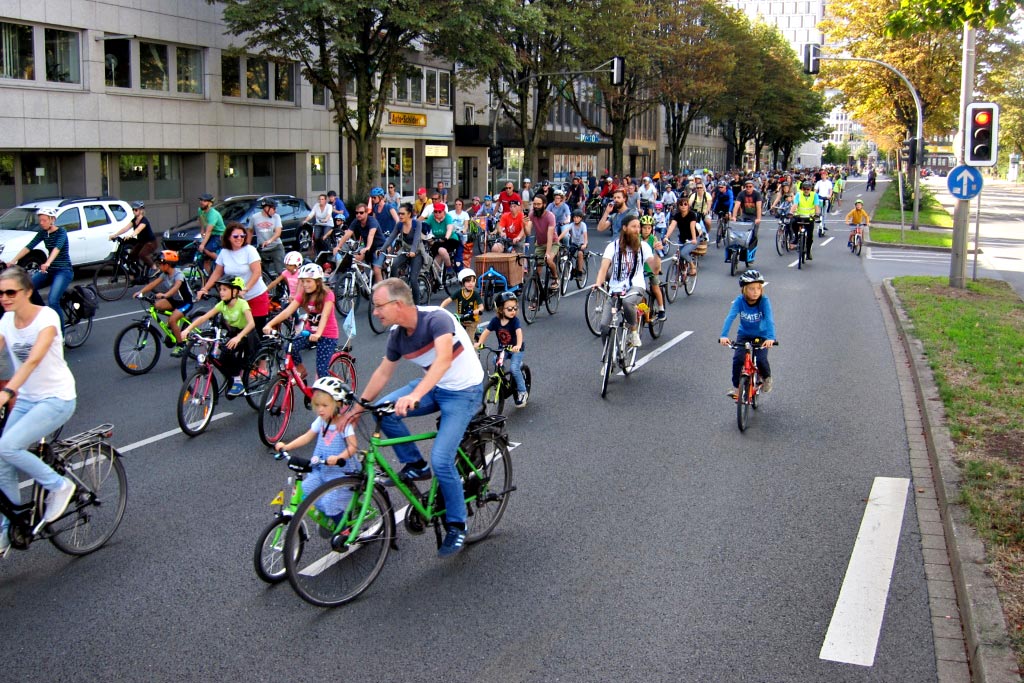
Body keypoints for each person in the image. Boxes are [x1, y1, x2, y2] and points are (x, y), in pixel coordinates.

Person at [355, 278, 484, 558]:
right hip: (435, 387)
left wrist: (416, 395)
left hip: (463, 392)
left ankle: (457, 523)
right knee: (381, 410)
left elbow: (443, 361)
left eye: (378, 306)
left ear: (398, 304)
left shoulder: (437, 319)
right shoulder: (397, 335)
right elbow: (383, 373)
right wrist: (358, 407)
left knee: (442, 459)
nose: (374, 312)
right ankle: (415, 463)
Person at [0, 265, 78, 556]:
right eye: (0, 293)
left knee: (8, 447)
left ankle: (58, 486)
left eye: (11, 292)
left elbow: (32, 360)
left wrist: (6, 392)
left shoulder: (46, 318)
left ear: (27, 291)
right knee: (2, 461)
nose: (5, 298)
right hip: (28, 400)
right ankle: (8, 528)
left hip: (57, 398)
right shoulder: (6, 322)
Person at [274, 376, 362, 521]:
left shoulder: (343, 425)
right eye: (317, 405)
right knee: (306, 490)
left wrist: (340, 457)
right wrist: (287, 446)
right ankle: (330, 515)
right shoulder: (321, 421)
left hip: (340, 473)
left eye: (325, 406)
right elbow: (307, 436)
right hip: (321, 468)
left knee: (331, 501)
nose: (320, 410)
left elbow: (353, 447)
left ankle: (344, 529)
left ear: (338, 404)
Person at [182, 276, 256, 397]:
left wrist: (239, 337)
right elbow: (204, 317)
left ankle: (238, 381)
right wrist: (187, 329)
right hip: (234, 333)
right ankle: (232, 378)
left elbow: (251, 323)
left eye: (225, 289)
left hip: (247, 334)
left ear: (235, 291)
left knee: (231, 353)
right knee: (221, 358)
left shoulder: (242, 304)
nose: (221, 292)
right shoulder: (222, 304)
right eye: (220, 289)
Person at [593, 214, 658, 349]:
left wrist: (657, 252)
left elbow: (655, 269)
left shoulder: (643, 247)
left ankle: (633, 332)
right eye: (634, 227)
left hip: (636, 286)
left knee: (628, 302)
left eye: (638, 227)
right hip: (615, 289)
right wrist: (598, 284)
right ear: (624, 228)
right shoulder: (613, 246)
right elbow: (603, 268)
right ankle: (608, 358)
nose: (637, 230)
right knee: (604, 326)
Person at [264, 263, 338, 380]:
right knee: (290, 347)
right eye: (303, 281)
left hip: (327, 335)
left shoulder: (327, 295)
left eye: (308, 281)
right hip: (309, 333)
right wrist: (270, 324)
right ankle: (301, 370)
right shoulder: (303, 295)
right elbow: (287, 312)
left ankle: (329, 395)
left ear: (318, 282)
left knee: (321, 371)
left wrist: (318, 333)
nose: (305, 284)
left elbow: (325, 315)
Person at [198, 223, 270, 332]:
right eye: (236, 236)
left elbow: (257, 272)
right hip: (235, 299)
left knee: (255, 333)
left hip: (255, 296)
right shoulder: (224, 253)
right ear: (228, 237)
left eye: (242, 236)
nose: (239, 239)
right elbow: (217, 273)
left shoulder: (249, 250)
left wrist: (245, 289)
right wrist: (205, 288)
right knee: (236, 332)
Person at [11, 208, 74, 327]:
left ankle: (60, 336)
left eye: (44, 220)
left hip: (63, 270)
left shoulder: (61, 232)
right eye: (40, 220)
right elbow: (29, 247)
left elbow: (57, 249)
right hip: (49, 270)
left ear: (52, 220)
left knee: (53, 301)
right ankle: (44, 315)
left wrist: (48, 262)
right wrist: (13, 261)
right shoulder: (43, 233)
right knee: (27, 288)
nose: (41, 223)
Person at [719, 269, 776, 398]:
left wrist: (771, 338)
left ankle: (766, 378)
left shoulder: (764, 301)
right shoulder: (740, 301)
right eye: (751, 289)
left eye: (758, 288)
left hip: (761, 335)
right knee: (738, 359)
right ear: (744, 289)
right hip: (744, 334)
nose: (755, 292)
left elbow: (769, 319)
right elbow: (730, 317)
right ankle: (736, 388)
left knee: (761, 359)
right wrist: (724, 335)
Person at [134, 250, 194, 356]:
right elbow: (153, 284)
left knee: (172, 320)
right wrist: (141, 292)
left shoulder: (178, 275)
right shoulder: (164, 274)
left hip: (185, 302)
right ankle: (172, 326)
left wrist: (166, 295)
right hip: (173, 300)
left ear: (168, 264)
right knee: (157, 305)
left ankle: (181, 345)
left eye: (160, 264)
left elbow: (176, 287)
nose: (158, 266)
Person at [476, 290, 528, 407]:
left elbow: (519, 333)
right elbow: (486, 332)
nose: (513, 311)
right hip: (503, 349)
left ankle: (522, 391)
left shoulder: (515, 321)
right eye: (509, 309)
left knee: (514, 369)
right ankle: (503, 380)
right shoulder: (495, 321)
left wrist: (518, 346)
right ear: (500, 309)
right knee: (495, 360)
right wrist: (480, 343)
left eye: (515, 308)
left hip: (516, 350)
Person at [381, 203, 425, 304]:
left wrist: (413, 251)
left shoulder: (417, 224)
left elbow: (417, 239)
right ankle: (396, 291)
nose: (400, 216)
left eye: (402, 214)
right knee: (394, 265)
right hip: (405, 251)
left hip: (417, 252)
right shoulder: (399, 225)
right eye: (399, 213)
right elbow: (391, 237)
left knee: (413, 279)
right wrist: (382, 249)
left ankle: (417, 306)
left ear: (409, 214)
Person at [335, 203, 384, 283]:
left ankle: (382, 291)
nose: (358, 215)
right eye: (357, 213)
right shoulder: (356, 221)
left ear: (366, 212)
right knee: (355, 259)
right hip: (367, 246)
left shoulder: (372, 221)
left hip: (379, 247)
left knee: (376, 268)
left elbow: (370, 235)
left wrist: (367, 247)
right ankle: (364, 277)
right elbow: (348, 234)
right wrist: (338, 246)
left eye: (361, 213)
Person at [109, 200, 157, 280]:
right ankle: (137, 273)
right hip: (141, 243)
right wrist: (115, 235)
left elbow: (138, 230)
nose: (134, 211)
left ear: (141, 210)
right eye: (133, 209)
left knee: (142, 254)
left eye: (136, 210)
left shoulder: (144, 221)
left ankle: (155, 268)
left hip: (150, 243)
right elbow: (125, 228)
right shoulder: (134, 220)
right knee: (131, 256)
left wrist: (131, 235)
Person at [527, 195, 560, 294]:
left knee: (549, 260)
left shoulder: (550, 216)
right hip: (540, 244)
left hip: (553, 242)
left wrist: (548, 253)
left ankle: (555, 278)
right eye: (534, 204)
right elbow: (528, 232)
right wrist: (525, 225)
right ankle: (536, 296)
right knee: (537, 272)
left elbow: (550, 236)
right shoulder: (532, 214)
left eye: (538, 204)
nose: (536, 206)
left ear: (544, 205)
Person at [440, 268, 482, 341]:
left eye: (473, 281)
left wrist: (478, 310)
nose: (471, 283)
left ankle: (472, 350)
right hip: (460, 319)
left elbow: (481, 307)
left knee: (469, 340)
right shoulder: (459, 293)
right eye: (468, 281)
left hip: (472, 321)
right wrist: (441, 308)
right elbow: (448, 300)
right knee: (455, 337)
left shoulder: (475, 294)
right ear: (462, 282)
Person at [248, 198, 285, 278]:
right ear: (266, 208)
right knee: (260, 273)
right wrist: (247, 246)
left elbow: (278, 232)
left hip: (276, 247)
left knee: (281, 272)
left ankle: (287, 288)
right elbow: (250, 231)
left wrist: (269, 241)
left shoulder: (276, 217)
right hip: (262, 249)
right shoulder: (254, 217)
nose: (275, 211)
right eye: (274, 208)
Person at [638, 215, 666, 321]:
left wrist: (658, 268)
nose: (646, 230)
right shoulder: (637, 237)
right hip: (639, 267)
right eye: (644, 227)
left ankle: (661, 309)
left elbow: (659, 253)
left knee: (655, 287)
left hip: (650, 267)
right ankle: (645, 311)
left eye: (649, 228)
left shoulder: (653, 239)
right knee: (639, 290)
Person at [666, 198, 701, 278]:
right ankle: (677, 277)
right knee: (678, 257)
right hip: (682, 239)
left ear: (688, 205)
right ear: (678, 206)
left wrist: (694, 239)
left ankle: (692, 266)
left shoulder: (692, 214)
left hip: (693, 238)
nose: (683, 206)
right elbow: (672, 226)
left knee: (683, 253)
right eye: (681, 204)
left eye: (685, 204)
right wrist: (666, 237)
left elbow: (692, 226)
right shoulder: (677, 215)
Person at [731, 179, 763, 264]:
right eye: (746, 187)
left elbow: (759, 207)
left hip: (754, 216)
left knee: (754, 236)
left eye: (750, 186)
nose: (748, 188)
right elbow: (737, 205)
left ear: (753, 187)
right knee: (740, 232)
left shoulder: (757, 194)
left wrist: (758, 218)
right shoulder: (742, 194)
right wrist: (734, 217)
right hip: (745, 215)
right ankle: (740, 249)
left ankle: (751, 255)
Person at [788, 180, 821, 261]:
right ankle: (796, 237)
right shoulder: (798, 194)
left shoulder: (814, 195)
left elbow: (816, 206)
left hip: (810, 217)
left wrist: (817, 214)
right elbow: (795, 205)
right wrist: (791, 212)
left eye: (808, 189)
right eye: (804, 189)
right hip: (799, 215)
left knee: (810, 236)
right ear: (802, 189)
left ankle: (808, 252)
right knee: (793, 222)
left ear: (811, 189)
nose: (806, 190)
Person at [196, 192, 226, 269]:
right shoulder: (200, 210)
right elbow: (202, 220)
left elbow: (209, 231)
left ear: (210, 203)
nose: (201, 202)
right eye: (201, 200)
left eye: (204, 201)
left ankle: (223, 263)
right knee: (204, 258)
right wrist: (202, 230)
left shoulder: (213, 214)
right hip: (212, 234)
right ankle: (209, 279)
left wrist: (202, 244)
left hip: (220, 235)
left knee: (206, 249)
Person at [567, 209, 589, 277]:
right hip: (574, 243)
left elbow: (585, 235)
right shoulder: (572, 224)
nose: (575, 219)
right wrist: (557, 239)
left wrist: (585, 244)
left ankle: (580, 272)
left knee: (580, 254)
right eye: (574, 217)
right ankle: (571, 270)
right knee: (567, 255)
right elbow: (565, 232)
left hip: (582, 243)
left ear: (581, 218)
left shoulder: (583, 225)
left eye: (577, 217)